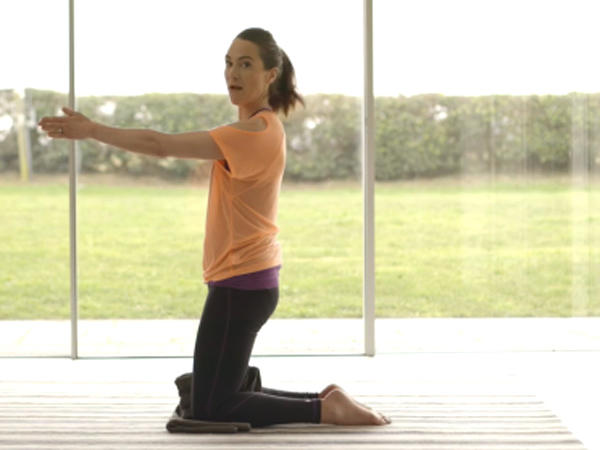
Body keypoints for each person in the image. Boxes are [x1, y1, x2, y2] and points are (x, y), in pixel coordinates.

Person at [38, 27, 390, 427]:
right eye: (228, 63)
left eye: (245, 64)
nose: (232, 73)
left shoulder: (253, 132)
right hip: (242, 279)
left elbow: (160, 145)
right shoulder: (260, 127)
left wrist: (93, 130)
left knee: (211, 408)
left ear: (270, 75)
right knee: (209, 395)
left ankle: (323, 409)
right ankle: (324, 399)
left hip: (241, 284)